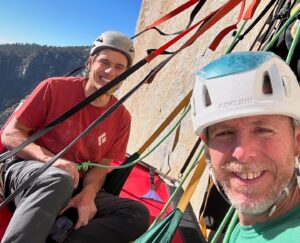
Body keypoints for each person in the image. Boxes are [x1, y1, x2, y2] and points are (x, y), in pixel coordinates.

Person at [1, 31, 150, 243]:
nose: (110, 71)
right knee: (58, 179)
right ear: (90, 62)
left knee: (136, 215)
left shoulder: (121, 117)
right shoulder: (54, 88)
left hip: (74, 185)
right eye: (104, 62)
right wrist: (51, 161)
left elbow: (102, 164)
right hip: (29, 171)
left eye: (120, 67)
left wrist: (88, 194)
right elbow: (11, 134)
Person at [191, 51, 300, 242]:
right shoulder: (241, 229)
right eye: (224, 133)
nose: (242, 153)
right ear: (207, 148)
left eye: (263, 130)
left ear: (297, 141)